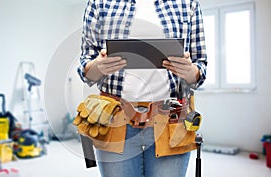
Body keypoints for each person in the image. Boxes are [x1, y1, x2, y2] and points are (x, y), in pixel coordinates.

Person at [77, 0, 207, 176]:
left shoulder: (187, 3)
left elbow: (199, 68)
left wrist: (190, 71)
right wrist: (97, 67)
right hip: (115, 120)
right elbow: (87, 71)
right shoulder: (99, 3)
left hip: (172, 119)